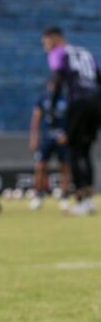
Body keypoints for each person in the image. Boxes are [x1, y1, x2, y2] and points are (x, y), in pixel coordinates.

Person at [41, 27, 101, 216]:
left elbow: (58, 77)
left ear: (53, 39)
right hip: (95, 101)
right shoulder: (84, 52)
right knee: (86, 149)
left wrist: (51, 106)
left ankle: (81, 200)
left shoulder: (59, 53)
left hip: (78, 102)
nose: (45, 46)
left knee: (73, 150)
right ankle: (90, 199)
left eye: (45, 42)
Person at [28, 78, 71, 211]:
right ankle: (38, 195)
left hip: (61, 138)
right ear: (48, 85)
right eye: (51, 85)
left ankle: (64, 196)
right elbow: (36, 117)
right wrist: (34, 137)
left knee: (65, 166)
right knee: (40, 166)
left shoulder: (66, 99)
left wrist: (67, 135)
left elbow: (72, 118)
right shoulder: (43, 98)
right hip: (47, 138)